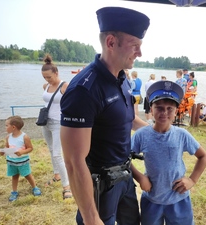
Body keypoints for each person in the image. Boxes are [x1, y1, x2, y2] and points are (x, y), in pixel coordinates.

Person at [60, 6, 150, 225]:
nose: (140, 53)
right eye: (135, 45)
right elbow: (73, 161)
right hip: (99, 186)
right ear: (111, 42)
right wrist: (91, 218)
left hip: (125, 176)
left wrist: (159, 130)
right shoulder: (84, 90)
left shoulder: (123, 79)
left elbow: (126, 120)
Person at [131, 80, 206, 225]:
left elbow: (203, 156)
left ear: (176, 111)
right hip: (152, 199)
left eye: (169, 109)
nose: (164, 113)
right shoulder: (141, 135)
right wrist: (141, 178)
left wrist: (192, 180)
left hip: (179, 199)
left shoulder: (182, 135)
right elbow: (123, 159)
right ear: (151, 109)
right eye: (159, 108)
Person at [40, 54, 72, 199]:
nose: (47, 80)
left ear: (56, 73)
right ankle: (57, 175)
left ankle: (67, 186)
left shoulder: (65, 86)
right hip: (45, 123)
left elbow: (73, 103)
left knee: (57, 154)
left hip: (58, 123)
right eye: (44, 77)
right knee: (51, 149)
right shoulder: (45, 86)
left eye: (49, 77)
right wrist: (47, 83)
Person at [0, 116, 41, 202]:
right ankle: (14, 192)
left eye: (6, 125)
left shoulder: (24, 137)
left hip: (23, 161)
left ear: (13, 127)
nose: (5, 127)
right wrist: (3, 151)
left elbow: (30, 148)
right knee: (14, 176)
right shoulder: (8, 137)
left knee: (27, 175)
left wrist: (22, 152)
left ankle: (34, 187)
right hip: (12, 161)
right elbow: (7, 147)